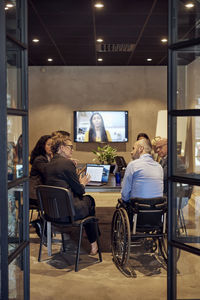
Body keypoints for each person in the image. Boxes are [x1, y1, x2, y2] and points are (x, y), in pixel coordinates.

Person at [44, 135, 99, 255]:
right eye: (70, 147)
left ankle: (88, 232)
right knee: (89, 200)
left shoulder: (48, 165)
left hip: (51, 213)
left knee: (85, 201)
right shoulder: (66, 164)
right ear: (62, 148)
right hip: (68, 213)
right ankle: (93, 241)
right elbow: (79, 191)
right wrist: (82, 183)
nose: (72, 150)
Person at [29, 135, 52, 206]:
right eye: (49, 145)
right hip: (35, 194)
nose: (51, 147)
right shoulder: (40, 159)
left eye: (52, 145)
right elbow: (49, 173)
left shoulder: (48, 157)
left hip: (42, 191)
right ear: (42, 146)